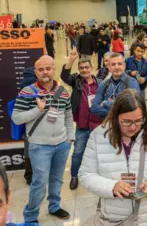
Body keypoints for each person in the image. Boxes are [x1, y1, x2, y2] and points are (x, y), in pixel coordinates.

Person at [79, 89, 147, 225]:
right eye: (126, 122)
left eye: (139, 121)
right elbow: (86, 174)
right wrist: (112, 187)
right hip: (115, 217)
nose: (133, 127)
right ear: (115, 117)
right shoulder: (99, 136)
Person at [12, 56, 74, 223]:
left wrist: (70, 138)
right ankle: (31, 216)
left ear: (54, 69)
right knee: (39, 183)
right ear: (35, 72)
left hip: (62, 145)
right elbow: (17, 118)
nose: (45, 72)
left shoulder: (63, 91)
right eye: (41, 69)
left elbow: (68, 115)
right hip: (39, 147)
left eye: (48, 68)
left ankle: (54, 206)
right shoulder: (27, 92)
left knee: (57, 179)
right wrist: (37, 110)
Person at [61, 48, 102, 190]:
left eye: (86, 67)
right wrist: (71, 60)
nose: (84, 70)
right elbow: (64, 76)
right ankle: (74, 176)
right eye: (81, 68)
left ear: (91, 68)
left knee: (100, 150)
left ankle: (98, 174)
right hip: (82, 125)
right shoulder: (76, 81)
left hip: (99, 124)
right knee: (78, 151)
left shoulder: (100, 83)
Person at [91, 53, 140, 119]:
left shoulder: (132, 83)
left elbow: (132, 107)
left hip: (125, 126)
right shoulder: (104, 84)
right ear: (109, 67)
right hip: (108, 125)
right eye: (113, 64)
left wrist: (106, 103)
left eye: (120, 64)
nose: (117, 67)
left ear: (124, 66)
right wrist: (118, 110)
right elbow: (94, 108)